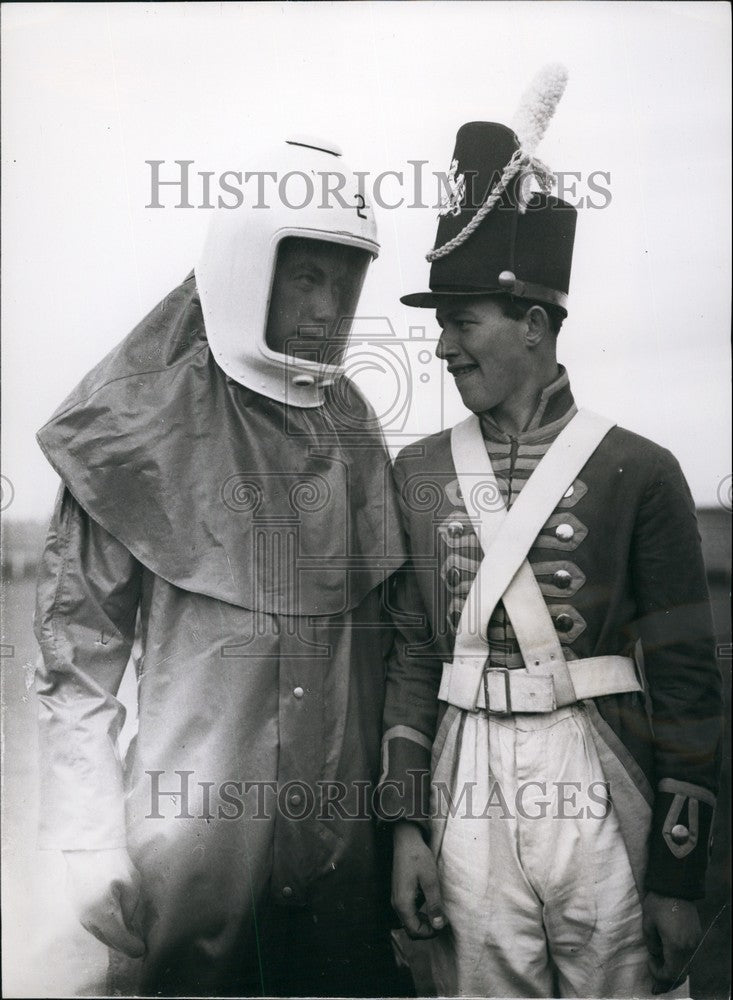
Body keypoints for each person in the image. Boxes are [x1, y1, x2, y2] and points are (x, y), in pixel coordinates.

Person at [34, 136, 410, 997]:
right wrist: (87, 838)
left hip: (343, 845)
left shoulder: (350, 425)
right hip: (192, 845)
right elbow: (75, 665)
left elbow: (394, 647)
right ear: (249, 269)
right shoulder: (134, 420)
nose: (327, 307)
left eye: (342, 281)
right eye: (304, 277)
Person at [379, 66, 722, 998]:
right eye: (442, 326)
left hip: (598, 770)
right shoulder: (413, 473)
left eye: (464, 322)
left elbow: (688, 679)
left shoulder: (638, 470)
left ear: (533, 325)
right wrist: (407, 825)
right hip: (464, 779)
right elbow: (413, 656)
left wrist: (677, 876)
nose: (444, 348)